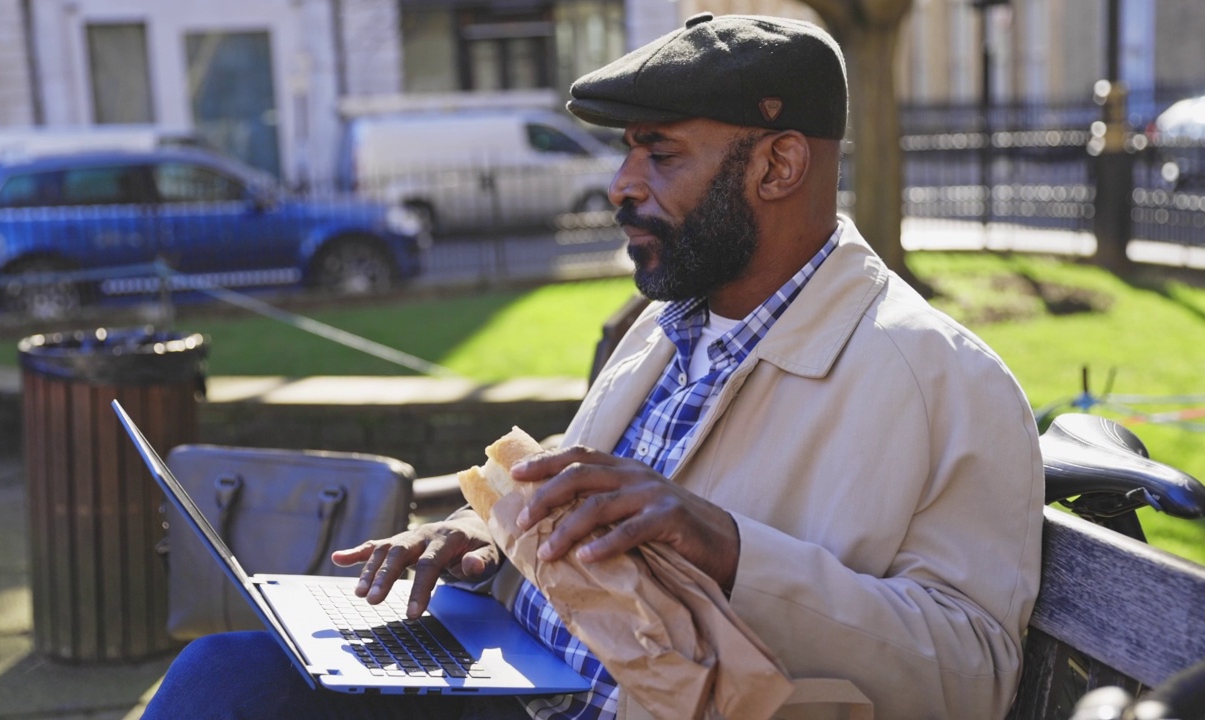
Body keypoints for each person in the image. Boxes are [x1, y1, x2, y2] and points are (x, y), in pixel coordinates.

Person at [143, 13, 1043, 720]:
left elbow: (972, 678)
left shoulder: (942, 379)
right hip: (509, 676)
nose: (621, 183)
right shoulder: (668, 321)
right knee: (228, 673)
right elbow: (584, 508)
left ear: (779, 164)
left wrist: (729, 550)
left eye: (659, 153)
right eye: (626, 151)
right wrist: (478, 534)